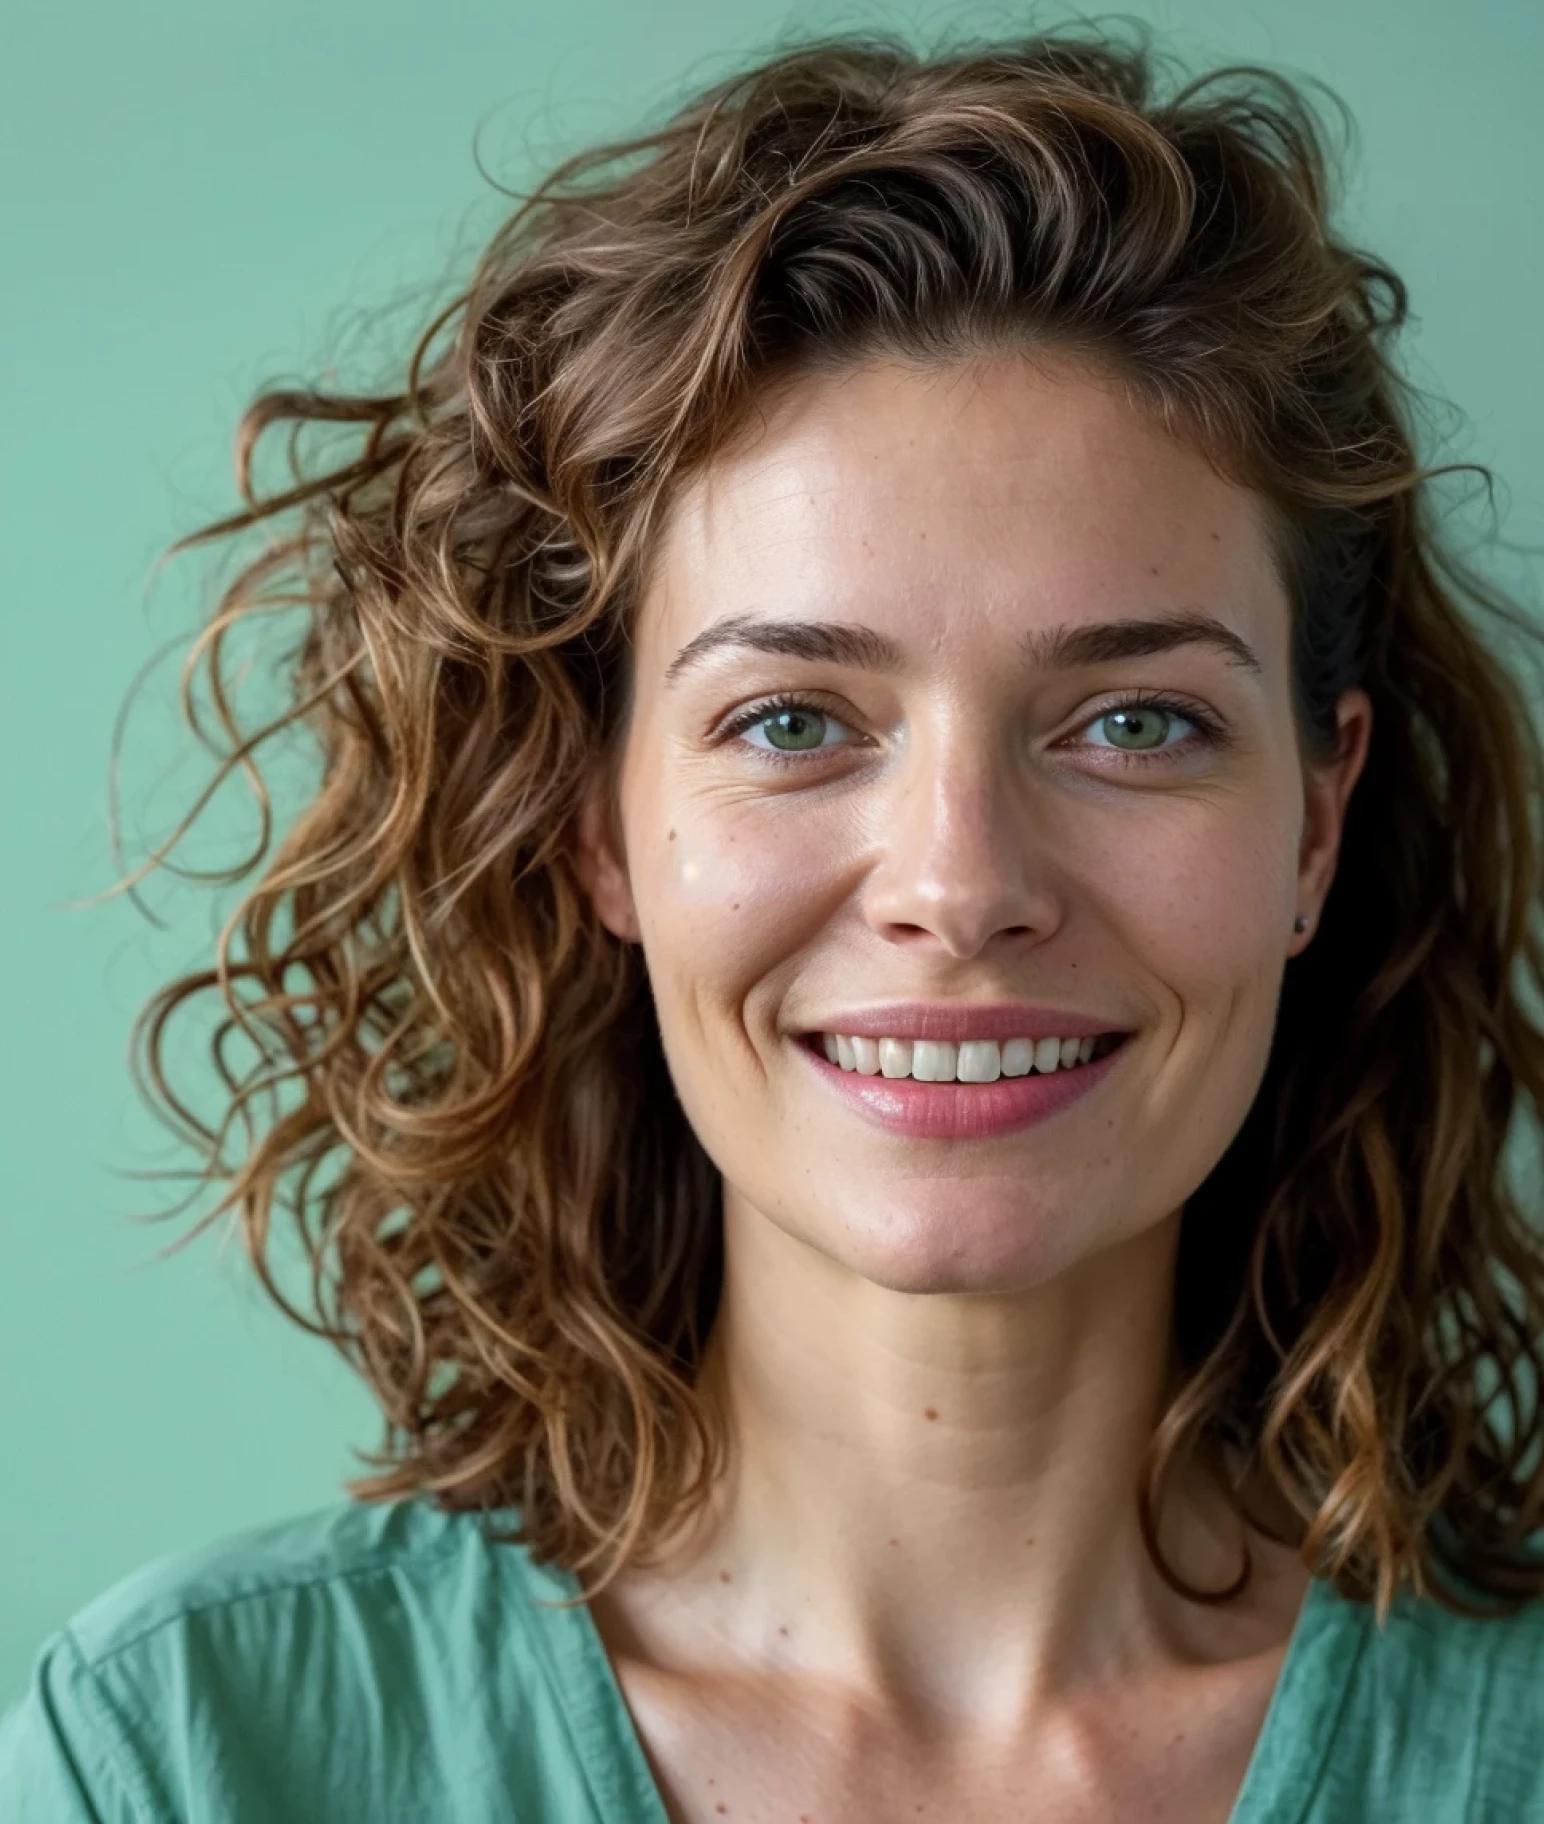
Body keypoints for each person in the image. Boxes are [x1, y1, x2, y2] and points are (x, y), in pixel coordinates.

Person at [5, 23, 1544, 1822]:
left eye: (1135, 723)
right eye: (792, 722)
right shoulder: (180, 1759)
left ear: (1318, 818)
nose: (960, 886)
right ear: (599, 823)